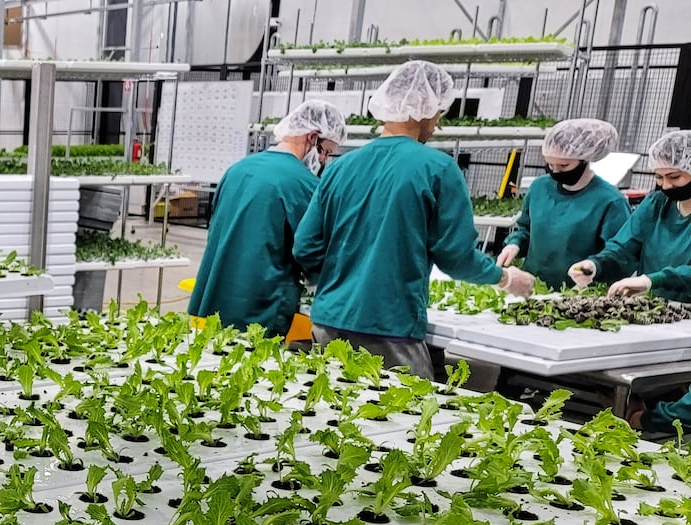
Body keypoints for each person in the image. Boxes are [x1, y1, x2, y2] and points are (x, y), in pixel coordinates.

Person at [294, 60, 536, 377]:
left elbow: (305, 246)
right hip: (389, 327)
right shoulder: (437, 168)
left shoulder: (341, 166)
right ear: (422, 108)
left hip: (327, 322)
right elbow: (455, 257)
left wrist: (343, 280)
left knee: (331, 414)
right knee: (401, 419)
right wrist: (505, 279)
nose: (437, 122)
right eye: (438, 112)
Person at [187, 100, 346, 335]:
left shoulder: (238, 170)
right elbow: (311, 249)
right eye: (325, 152)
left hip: (214, 297)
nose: (322, 161)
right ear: (313, 137)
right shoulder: (303, 184)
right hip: (260, 305)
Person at [496, 118, 630, 289]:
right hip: (530, 287)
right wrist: (514, 244)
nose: (555, 171)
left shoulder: (610, 201)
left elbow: (620, 253)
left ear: (585, 159)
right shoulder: (539, 188)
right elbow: (526, 229)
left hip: (578, 296)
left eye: (563, 166)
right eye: (550, 165)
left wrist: (594, 266)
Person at [570, 130, 691, 301]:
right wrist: (596, 265)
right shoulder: (657, 204)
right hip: (653, 311)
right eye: (658, 177)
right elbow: (623, 246)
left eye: (675, 177)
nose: (665, 185)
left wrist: (652, 280)